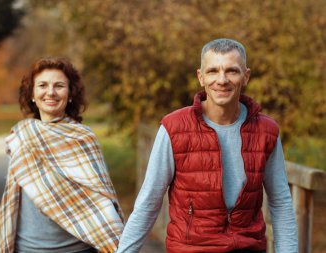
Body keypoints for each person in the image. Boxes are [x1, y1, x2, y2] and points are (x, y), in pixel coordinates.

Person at [116, 39, 298, 253]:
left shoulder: (266, 131)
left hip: (247, 247)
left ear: (246, 76)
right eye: (213, 71)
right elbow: (149, 202)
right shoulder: (174, 128)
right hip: (191, 248)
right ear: (201, 77)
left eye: (232, 71)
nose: (222, 80)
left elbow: (281, 203)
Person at [0, 57, 124, 253]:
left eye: (59, 86)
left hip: (77, 250)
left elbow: (100, 199)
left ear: (70, 94)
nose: (50, 92)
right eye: (42, 85)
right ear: (32, 94)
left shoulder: (83, 138)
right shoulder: (20, 135)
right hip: (27, 249)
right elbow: (13, 198)